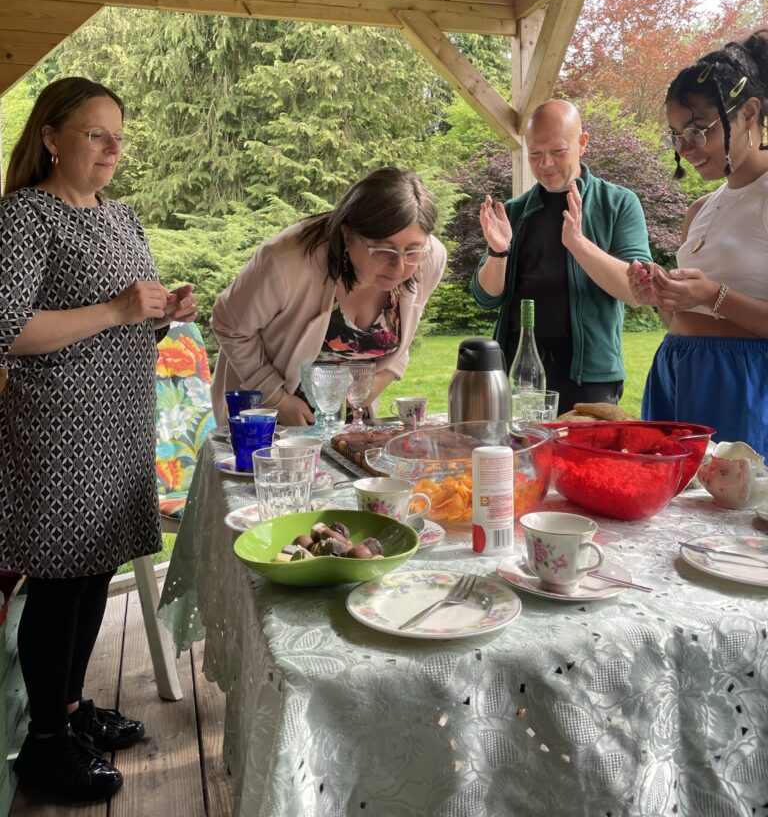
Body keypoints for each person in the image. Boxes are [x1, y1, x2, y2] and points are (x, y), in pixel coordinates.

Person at [0, 77, 197, 801]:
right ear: (51, 137)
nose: (113, 148)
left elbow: (127, 316)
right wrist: (117, 310)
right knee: (58, 583)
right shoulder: (25, 217)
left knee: (91, 574)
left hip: (117, 422)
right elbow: (8, 330)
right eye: (95, 134)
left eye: (119, 134)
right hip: (57, 429)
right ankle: (46, 743)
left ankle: (73, 709)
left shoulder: (121, 218)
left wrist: (160, 314)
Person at [211, 167, 447, 426]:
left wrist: (385, 375)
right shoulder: (286, 261)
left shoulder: (429, 259)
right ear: (347, 235)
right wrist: (276, 397)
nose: (400, 267)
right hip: (264, 417)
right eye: (383, 250)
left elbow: (406, 334)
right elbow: (230, 325)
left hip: (348, 425)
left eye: (412, 252)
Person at [628, 31, 768, 454]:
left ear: (748, 113)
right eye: (676, 134)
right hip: (676, 373)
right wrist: (662, 299)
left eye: (697, 129)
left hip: (742, 385)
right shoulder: (701, 209)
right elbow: (680, 322)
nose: (684, 148)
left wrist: (713, 294)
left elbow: (716, 304)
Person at [471, 99, 652, 414]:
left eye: (557, 151)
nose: (546, 164)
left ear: (582, 144)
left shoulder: (619, 204)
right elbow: (486, 297)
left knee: (584, 462)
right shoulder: (513, 211)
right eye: (535, 154)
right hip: (518, 368)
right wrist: (498, 252)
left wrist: (578, 243)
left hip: (590, 373)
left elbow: (637, 293)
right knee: (518, 459)